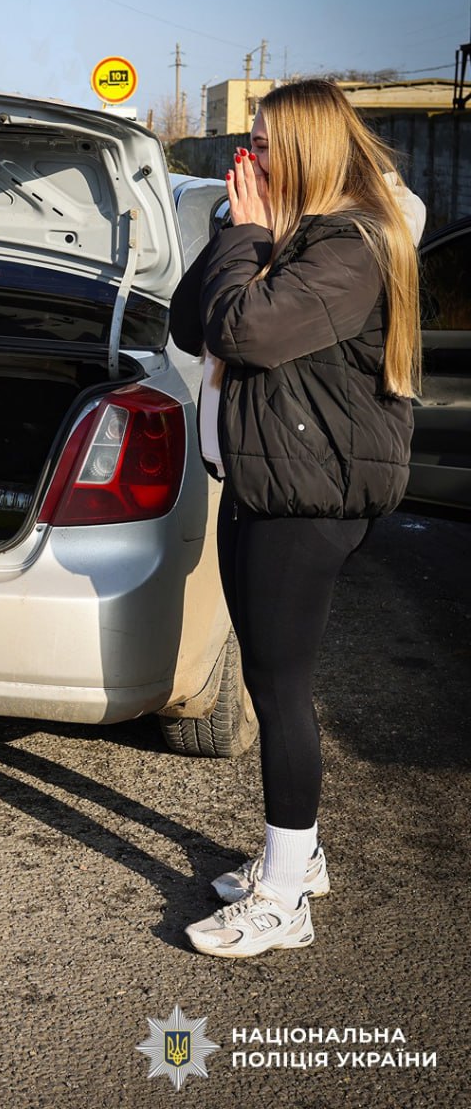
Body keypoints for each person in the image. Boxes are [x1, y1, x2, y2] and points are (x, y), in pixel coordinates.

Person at [169, 79, 421, 958]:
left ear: (309, 147)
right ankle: (297, 858)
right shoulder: (294, 232)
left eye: (265, 141)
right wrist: (237, 235)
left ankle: (283, 900)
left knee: (279, 692)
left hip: (308, 497)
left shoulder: (351, 246)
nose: (250, 155)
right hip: (264, 481)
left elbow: (246, 336)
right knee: (273, 683)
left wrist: (246, 237)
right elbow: (185, 322)